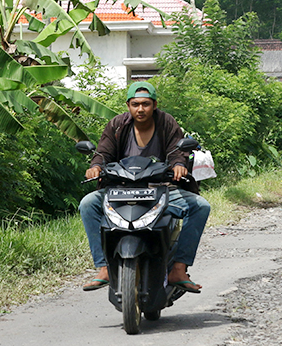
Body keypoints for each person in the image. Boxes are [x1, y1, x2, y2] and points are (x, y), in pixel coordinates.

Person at [79, 81, 210, 293]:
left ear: (155, 105)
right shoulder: (117, 124)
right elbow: (103, 152)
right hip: (120, 189)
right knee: (87, 204)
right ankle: (103, 267)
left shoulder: (167, 122)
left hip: (161, 188)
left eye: (146, 104)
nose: (141, 109)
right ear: (128, 106)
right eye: (135, 104)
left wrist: (178, 165)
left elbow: (177, 150)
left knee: (200, 207)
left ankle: (178, 268)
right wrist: (95, 166)